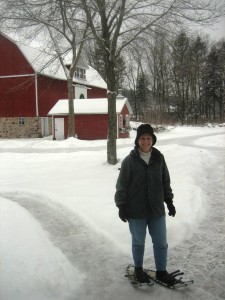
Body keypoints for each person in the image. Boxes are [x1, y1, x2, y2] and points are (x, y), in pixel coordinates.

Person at [115, 124, 177, 285]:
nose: (145, 141)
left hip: (156, 210)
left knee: (161, 242)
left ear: (153, 140)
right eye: (142, 138)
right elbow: (121, 185)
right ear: (137, 141)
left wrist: (169, 201)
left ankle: (161, 272)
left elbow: (165, 181)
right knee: (138, 241)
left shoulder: (159, 158)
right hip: (136, 210)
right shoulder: (130, 161)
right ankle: (138, 269)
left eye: (149, 138)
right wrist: (122, 205)